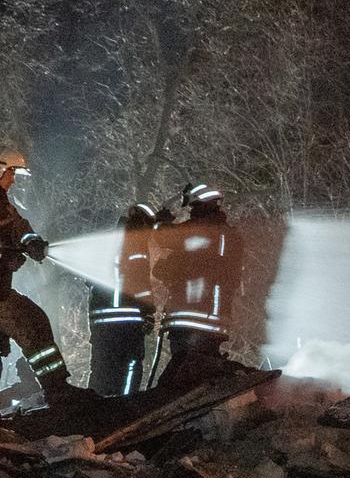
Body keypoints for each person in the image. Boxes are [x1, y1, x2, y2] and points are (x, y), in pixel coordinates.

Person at [0, 149, 73, 401]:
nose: (14, 179)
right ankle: (57, 391)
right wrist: (7, 255)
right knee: (31, 325)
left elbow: (19, 229)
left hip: (2, 290)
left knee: (36, 322)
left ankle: (57, 389)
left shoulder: (3, 205)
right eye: (11, 172)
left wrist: (34, 244)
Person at [152, 183, 243, 378]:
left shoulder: (200, 229)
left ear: (201, 205)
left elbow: (165, 239)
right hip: (217, 320)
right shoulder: (229, 235)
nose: (192, 213)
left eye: (193, 208)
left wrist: (161, 222)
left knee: (184, 373)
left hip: (191, 316)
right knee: (204, 372)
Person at [88, 203, 157, 396]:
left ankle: (94, 412)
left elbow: (89, 278)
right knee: (131, 365)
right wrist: (149, 313)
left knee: (102, 368)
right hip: (126, 319)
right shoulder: (136, 243)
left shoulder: (108, 240)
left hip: (100, 319)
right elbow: (140, 281)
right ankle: (124, 408)